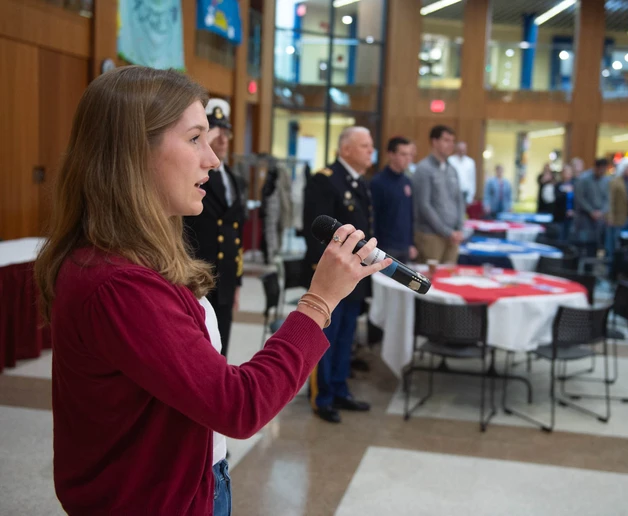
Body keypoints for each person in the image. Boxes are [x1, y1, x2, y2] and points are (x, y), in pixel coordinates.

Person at [33, 66, 389, 515]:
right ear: (134, 151)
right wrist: (319, 301)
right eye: (195, 138)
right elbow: (239, 405)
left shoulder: (131, 255)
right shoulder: (119, 283)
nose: (213, 159)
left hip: (182, 479)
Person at [302, 126, 377, 423]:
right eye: (365, 146)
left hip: (355, 274)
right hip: (333, 277)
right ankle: (321, 397)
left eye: (371, 146)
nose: (371, 151)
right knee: (326, 337)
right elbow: (317, 232)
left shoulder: (360, 183)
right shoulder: (326, 181)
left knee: (346, 337)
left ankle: (340, 389)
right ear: (345, 149)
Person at [183, 99, 245, 357]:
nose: (223, 140)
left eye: (226, 133)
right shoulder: (192, 175)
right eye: (215, 133)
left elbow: (234, 232)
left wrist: (237, 280)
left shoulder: (231, 177)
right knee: (198, 349)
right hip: (197, 270)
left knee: (222, 345)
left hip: (225, 274)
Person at [413, 125, 465, 264]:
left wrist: (459, 229)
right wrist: (447, 231)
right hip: (431, 236)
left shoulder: (452, 169)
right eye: (446, 140)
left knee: (449, 279)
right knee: (430, 281)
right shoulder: (423, 169)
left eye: (452, 141)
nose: (451, 145)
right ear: (434, 142)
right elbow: (424, 205)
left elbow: (459, 200)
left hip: (453, 236)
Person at [370, 136, 417, 263]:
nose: (408, 159)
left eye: (410, 155)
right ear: (391, 155)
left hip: (404, 245)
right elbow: (373, 216)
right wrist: (374, 246)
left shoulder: (407, 181)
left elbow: (409, 215)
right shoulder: (378, 182)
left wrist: (411, 243)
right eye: (403, 154)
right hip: (385, 246)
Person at [574, 158, 610, 257]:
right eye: (600, 169)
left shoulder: (606, 181)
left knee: (595, 246)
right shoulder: (584, 179)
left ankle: (591, 268)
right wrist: (591, 211)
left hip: (599, 219)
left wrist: (602, 212)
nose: (602, 172)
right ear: (595, 168)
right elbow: (580, 198)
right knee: (583, 245)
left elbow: (608, 199)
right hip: (584, 218)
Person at [606, 158, 628, 259]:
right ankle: (612, 266)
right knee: (615, 244)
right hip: (618, 217)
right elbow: (610, 201)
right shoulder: (615, 182)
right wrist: (610, 216)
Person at [448, 141, 477, 205]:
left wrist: (471, 195)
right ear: (456, 149)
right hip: (452, 193)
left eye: (463, 150)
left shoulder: (470, 162)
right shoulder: (450, 160)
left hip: (465, 192)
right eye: (460, 150)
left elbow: (472, 179)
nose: (462, 152)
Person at [554, 164, 575, 241]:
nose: (567, 174)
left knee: (569, 237)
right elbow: (557, 199)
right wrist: (566, 191)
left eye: (569, 172)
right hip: (560, 216)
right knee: (560, 237)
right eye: (565, 172)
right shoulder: (558, 185)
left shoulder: (574, 185)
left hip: (571, 217)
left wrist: (573, 211)